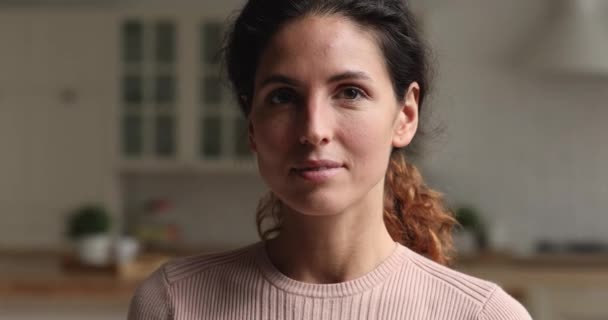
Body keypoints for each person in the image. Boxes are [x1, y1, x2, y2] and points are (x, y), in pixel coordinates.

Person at [128, 0, 532, 319]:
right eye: (283, 97)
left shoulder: (483, 315)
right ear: (251, 124)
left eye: (350, 92)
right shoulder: (173, 303)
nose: (314, 129)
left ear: (405, 115)